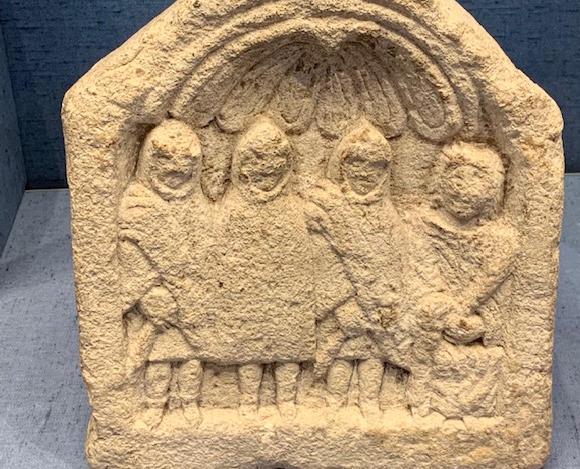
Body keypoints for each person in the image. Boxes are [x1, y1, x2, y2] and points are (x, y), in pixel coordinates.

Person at [201, 117, 314, 418]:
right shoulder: (233, 208)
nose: (267, 172)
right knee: (248, 353)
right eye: (258, 163)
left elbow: (304, 258)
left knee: (288, 353)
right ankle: (249, 399)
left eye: (275, 165)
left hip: (288, 299)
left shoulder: (292, 209)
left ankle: (287, 399)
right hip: (247, 298)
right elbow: (221, 254)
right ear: (242, 166)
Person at [407, 141, 519, 419]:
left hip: (475, 340)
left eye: (477, 181)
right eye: (457, 178)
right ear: (440, 182)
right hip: (426, 331)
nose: (464, 190)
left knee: (487, 365)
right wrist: (442, 315)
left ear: (492, 191)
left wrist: (481, 325)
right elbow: (413, 283)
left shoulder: (500, 243)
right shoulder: (419, 229)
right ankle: (418, 402)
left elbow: (510, 306)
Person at [307, 119, 409, 420]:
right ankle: (334, 403)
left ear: (385, 172)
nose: (365, 172)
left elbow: (396, 263)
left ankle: (370, 403)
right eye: (356, 163)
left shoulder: (388, 216)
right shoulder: (326, 209)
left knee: (372, 358)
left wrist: (382, 304)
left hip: (377, 312)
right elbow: (322, 262)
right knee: (340, 357)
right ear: (341, 165)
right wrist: (343, 306)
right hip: (340, 309)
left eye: (375, 166)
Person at [118, 119, 209, 429]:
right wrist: (147, 298)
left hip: (191, 308)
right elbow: (128, 260)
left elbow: (210, 256)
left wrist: (192, 293)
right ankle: (155, 405)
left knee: (191, 364)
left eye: (183, 170)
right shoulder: (136, 206)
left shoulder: (198, 208)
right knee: (157, 365)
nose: (175, 175)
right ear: (149, 164)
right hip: (155, 309)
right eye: (167, 168)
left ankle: (189, 402)